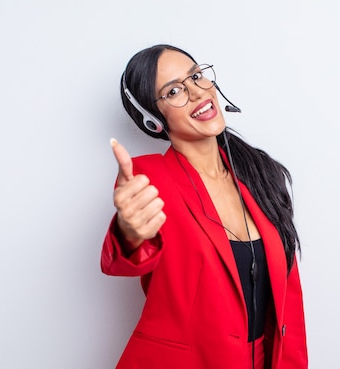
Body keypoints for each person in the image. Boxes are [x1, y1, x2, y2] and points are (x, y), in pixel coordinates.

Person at [101, 44, 308, 369]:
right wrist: (128, 232)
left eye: (196, 76)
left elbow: (288, 302)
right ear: (153, 120)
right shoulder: (149, 177)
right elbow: (128, 259)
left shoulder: (260, 173)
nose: (197, 92)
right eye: (174, 91)